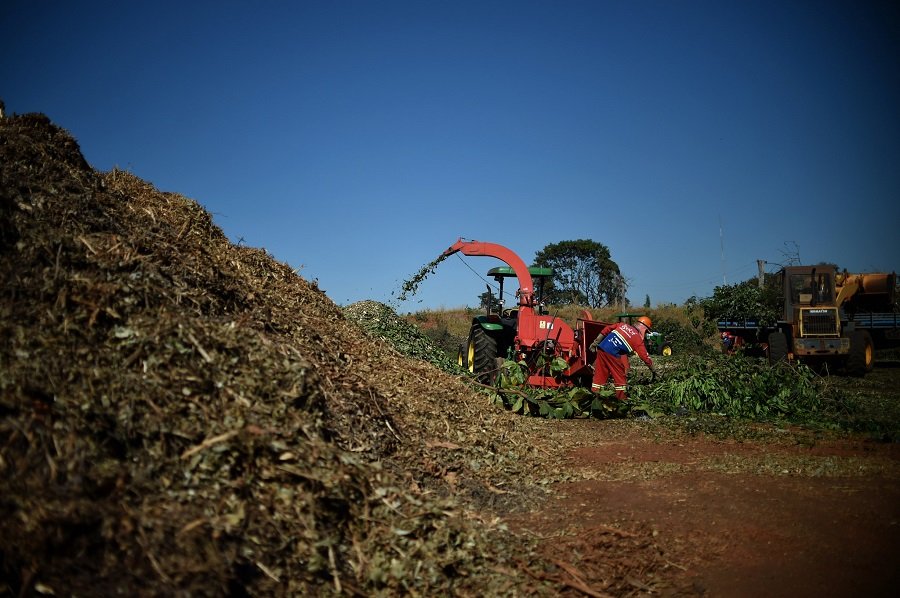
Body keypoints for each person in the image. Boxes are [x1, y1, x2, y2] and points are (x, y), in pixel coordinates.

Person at [589, 316, 659, 400]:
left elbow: (607, 329)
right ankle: (622, 401)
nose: (646, 334)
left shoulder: (622, 325)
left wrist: (595, 343)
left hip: (601, 348)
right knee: (620, 379)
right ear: (644, 328)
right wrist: (654, 370)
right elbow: (645, 357)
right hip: (612, 354)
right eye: (647, 332)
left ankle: (595, 398)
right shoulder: (637, 339)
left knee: (600, 375)